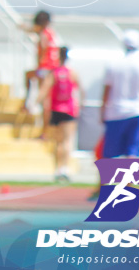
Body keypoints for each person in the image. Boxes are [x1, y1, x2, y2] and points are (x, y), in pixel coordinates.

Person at [100, 30, 139, 159]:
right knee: (132, 152)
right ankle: (129, 179)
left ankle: (106, 179)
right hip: (137, 112)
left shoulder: (113, 64)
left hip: (115, 112)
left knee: (109, 153)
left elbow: (106, 91)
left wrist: (103, 111)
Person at [38, 47, 81, 182]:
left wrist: (35, 103)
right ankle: (65, 169)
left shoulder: (54, 73)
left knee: (58, 141)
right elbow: (80, 91)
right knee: (68, 140)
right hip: (69, 110)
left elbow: (44, 89)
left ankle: (58, 169)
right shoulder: (72, 73)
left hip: (56, 109)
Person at [23, 10, 60, 112]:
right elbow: (33, 30)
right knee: (46, 96)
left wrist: (39, 63)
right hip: (53, 67)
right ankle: (44, 123)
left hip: (45, 68)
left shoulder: (43, 34)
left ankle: (28, 104)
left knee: (43, 96)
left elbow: (43, 47)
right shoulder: (50, 32)